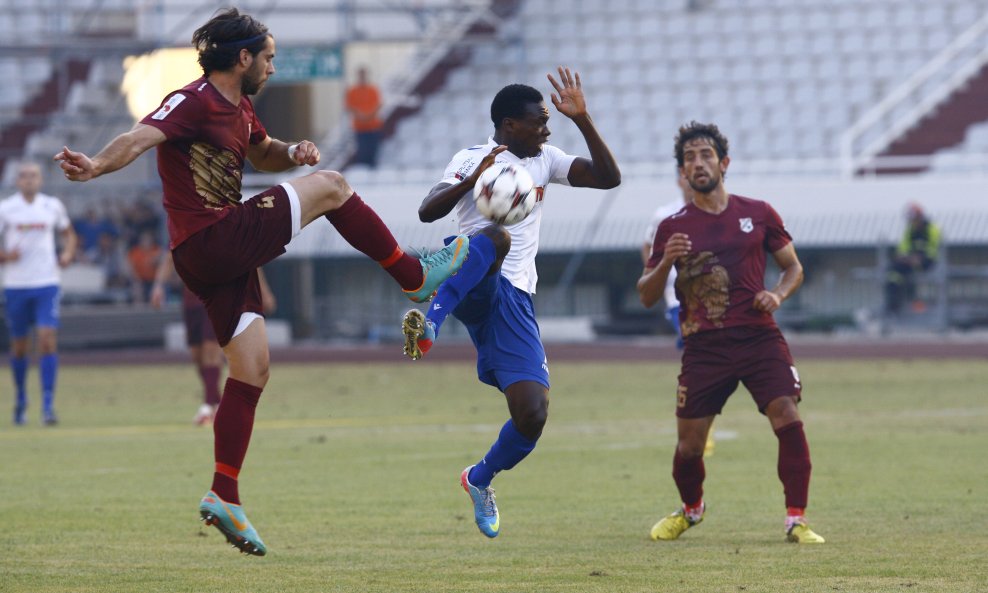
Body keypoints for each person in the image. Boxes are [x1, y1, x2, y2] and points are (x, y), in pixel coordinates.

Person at [55, 7, 469, 556]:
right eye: (268, 57)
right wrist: (95, 166)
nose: (273, 67)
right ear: (242, 57)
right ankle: (413, 277)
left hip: (209, 253)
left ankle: (224, 492)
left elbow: (264, 153)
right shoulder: (193, 100)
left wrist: (292, 151)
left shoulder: (241, 106)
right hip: (214, 238)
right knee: (333, 187)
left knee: (252, 369)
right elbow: (138, 138)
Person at [400, 68, 620, 538]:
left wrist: (583, 119)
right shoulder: (472, 157)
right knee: (494, 236)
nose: (547, 126)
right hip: (475, 277)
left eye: (548, 119)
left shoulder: (547, 159)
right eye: (539, 120)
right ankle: (431, 319)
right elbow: (427, 208)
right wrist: (473, 180)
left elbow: (607, 178)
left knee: (533, 412)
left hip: (517, 297)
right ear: (508, 126)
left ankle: (479, 479)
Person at [637, 122, 824, 544]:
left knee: (788, 417)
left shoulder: (758, 213)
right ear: (682, 172)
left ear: (724, 163)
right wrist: (665, 262)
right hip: (704, 347)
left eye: (705, 155)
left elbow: (793, 267)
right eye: (689, 158)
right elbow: (647, 295)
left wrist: (776, 294)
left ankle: (797, 519)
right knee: (689, 446)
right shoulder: (672, 226)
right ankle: (691, 510)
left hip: (759, 338)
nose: (697, 163)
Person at [150, 251, 275, 426]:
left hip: (218, 296)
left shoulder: (227, 228)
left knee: (211, 352)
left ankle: (207, 407)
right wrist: (158, 286)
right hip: (191, 299)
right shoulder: (186, 227)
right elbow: (170, 256)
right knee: (197, 356)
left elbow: (252, 258)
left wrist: (264, 291)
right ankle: (217, 403)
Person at [641, 172, 717, 457]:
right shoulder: (665, 215)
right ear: (679, 180)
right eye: (685, 175)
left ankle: (700, 423)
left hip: (712, 298)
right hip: (678, 300)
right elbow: (648, 246)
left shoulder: (715, 211)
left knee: (705, 363)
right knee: (697, 358)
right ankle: (699, 429)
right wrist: (652, 273)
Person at [0, 161, 78, 425]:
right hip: (16, 285)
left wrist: (67, 254)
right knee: (20, 346)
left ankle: (47, 404)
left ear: (41, 180)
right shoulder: (6, 209)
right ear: (17, 181)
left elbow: (69, 235)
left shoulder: (52, 206)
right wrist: (5, 255)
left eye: (33, 175)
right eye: (23, 176)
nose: (29, 180)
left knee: (47, 339)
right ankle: (21, 398)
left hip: (46, 282)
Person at [885, 203, 940, 315]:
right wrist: (904, 257)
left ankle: (913, 301)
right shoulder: (909, 231)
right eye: (910, 219)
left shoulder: (932, 229)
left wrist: (920, 258)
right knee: (893, 272)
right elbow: (903, 247)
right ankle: (893, 304)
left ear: (920, 217)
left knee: (908, 271)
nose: (911, 222)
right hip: (910, 261)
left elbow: (934, 249)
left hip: (928, 261)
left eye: (913, 219)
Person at [344, 66, 384, 168]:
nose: (362, 77)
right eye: (360, 75)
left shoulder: (373, 90)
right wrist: (359, 115)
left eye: (364, 75)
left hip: (373, 126)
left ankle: (373, 171)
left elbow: (378, 105)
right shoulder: (353, 91)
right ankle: (362, 172)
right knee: (362, 151)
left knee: (373, 151)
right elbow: (349, 106)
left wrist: (369, 115)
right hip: (360, 127)